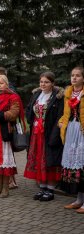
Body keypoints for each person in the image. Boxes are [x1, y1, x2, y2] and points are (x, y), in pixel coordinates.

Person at [24, 72, 64, 201]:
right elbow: (29, 109)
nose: (43, 84)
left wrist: (55, 135)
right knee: (38, 158)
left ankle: (50, 190)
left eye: (46, 82)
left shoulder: (58, 97)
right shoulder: (36, 94)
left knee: (49, 160)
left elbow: (59, 116)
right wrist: (31, 119)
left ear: (53, 83)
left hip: (49, 133)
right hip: (36, 133)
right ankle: (42, 187)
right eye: (41, 82)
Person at [59, 66, 84, 214]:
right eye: (72, 75)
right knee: (75, 168)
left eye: (78, 75)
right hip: (71, 131)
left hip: (81, 131)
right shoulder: (68, 93)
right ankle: (79, 200)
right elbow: (65, 113)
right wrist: (61, 122)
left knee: (82, 165)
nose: (74, 78)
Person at [0, 67, 18, 189]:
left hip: (6, 129)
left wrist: (0, 115)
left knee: (7, 155)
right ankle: (0, 180)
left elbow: (14, 111)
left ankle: (10, 181)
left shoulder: (12, 93)